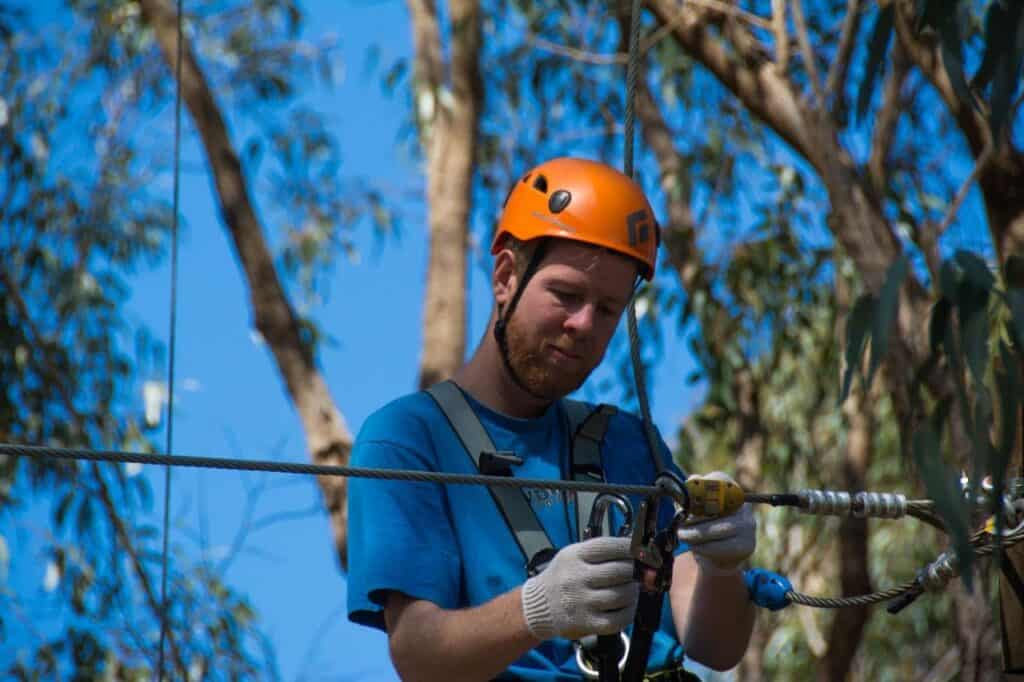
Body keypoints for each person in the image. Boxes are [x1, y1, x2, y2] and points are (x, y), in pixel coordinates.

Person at [347, 157, 757, 681]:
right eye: (566, 294)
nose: (584, 324)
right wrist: (534, 611)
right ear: (505, 277)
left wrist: (724, 566)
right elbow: (419, 656)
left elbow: (716, 647)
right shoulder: (407, 440)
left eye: (608, 309)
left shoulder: (629, 445)